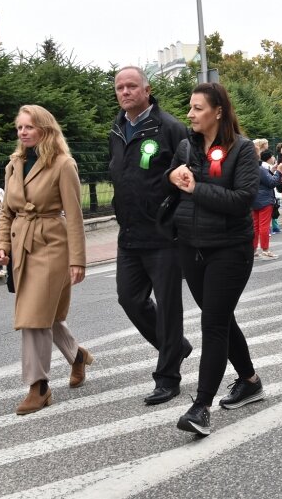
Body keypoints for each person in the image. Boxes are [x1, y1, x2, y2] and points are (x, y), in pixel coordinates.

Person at [167, 82, 265, 436]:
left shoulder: (242, 150)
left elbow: (242, 200)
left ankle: (201, 406)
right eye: (190, 108)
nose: (190, 114)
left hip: (230, 248)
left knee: (213, 323)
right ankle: (250, 380)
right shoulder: (185, 146)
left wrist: (195, 187)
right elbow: (174, 181)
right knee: (220, 318)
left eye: (197, 108)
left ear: (218, 111)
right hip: (190, 246)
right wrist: (172, 175)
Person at [0, 105, 93, 415]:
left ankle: (39, 386)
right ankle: (76, 356)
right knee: (44, 315)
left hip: (52, 243)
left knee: (34, 316)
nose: (22, 132)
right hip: (21, 244)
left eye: (29, 127)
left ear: (45, 130)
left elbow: (74, 216)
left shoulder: (63, 164)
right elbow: (7, 211)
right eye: (19, 127)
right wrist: (1, 243)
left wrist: (78, 259)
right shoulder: (14, 164)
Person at [109, 65, 193, 406]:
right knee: (129, 298)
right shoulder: (116, 130)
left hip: (163, 235)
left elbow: (187, 176)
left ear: (147, 89)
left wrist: (173, 218)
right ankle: (177, 347)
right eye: (119, 88)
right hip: (129, 234)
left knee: (170, 307)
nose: (125, 92)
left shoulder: (170, 128)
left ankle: (168, 376)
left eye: (132, 86)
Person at [251, 140, 282, 260]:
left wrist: (271, 171)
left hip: (253, 199)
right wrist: (279, 172)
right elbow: (271, 183)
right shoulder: (260, 169)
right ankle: (265, 249)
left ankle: (253, 249)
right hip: (264, 200)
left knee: (255, 226)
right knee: (264, 226)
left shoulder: (248, 167)